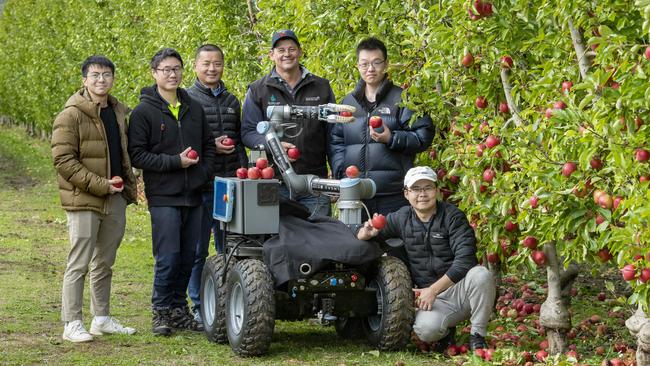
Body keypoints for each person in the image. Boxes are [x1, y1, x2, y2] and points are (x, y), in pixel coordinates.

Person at [357, 166, 495, 352]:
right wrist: (366, 233)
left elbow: (465, 261)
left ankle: (477, 335)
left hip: (459, 291)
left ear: (437, 191)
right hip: (429, 298)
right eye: (416, 189)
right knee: (426, 330)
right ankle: (446, 333)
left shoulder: (453, 217)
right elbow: (367, 234)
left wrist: (433, 289)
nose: (422, 194)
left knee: (481, 275)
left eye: (427, 188)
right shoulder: (402, 218)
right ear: (406, 194)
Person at [128, 48, 216, 336]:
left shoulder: (194, 108)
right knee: (168, 256)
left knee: (189, 256)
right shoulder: (143, 112)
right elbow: (137, 155)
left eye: (176, 68)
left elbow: (208, 147)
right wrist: (175, 163)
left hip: (194, 194)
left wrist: (202, 174)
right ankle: (161, 311)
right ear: (154, 73)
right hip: (164, 195)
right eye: (165, 69)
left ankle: (180, 311)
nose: (172, 74)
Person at [52, 55, 138, 342]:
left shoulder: (117, 111)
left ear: (113, 78)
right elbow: (64, 161)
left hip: (115, 197)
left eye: (107, 75)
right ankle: (72, 322)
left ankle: (101, 317)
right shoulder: (71, 114)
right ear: (84, 80)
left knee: (105, 262)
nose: (101, 80)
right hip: (84, 198)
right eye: (95, 75)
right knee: (79, 262)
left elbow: (123, 154)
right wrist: (101, 184)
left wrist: (126, 187)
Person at [330, 37, 434, 218]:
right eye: (364, 64)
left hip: (392, 193)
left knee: (394, 243)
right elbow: (337, 141)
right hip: (356, 193)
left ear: (386, 64)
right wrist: (341, 171)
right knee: (357, 243)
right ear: (358, 66)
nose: (370, 69)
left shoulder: (403, 99)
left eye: (376, 62)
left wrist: (391, 138)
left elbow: (423, 136)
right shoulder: (348, 103)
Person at [241, 29, 335, 217]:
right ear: (271, 55)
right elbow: (248, 132)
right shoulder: (258, 89)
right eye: (281, 50)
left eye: (291, 49)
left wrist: (337, 173)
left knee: (319, 240)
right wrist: (272, 145)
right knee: (277, 241)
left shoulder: (321, 87)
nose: (287, 54)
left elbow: (333, 135)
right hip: (273, 182)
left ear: (300, 52)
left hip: (314, 182)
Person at [186, 44, 247, 323]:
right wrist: (212, 146)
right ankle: (200, 306)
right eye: (206, 63)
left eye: (217, 63)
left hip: (230, 185)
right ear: (195, 66)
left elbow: (241, 142)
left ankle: (225, 303)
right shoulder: (186, 99)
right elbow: (182, 143)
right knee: (198, 250)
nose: (212, 69)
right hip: (201, 185)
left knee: (231, 248)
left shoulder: (233, 101)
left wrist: (244, 172)